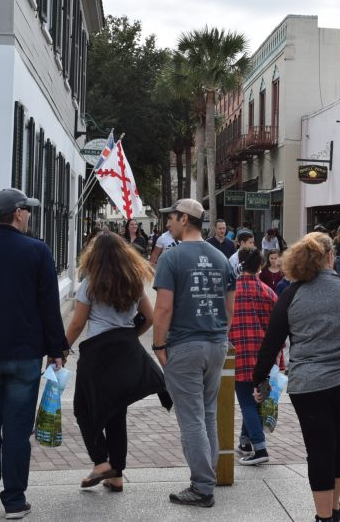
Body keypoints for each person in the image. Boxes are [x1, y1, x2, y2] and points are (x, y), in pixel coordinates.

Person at [253, 232, 340, 522]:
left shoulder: (291, 294)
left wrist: (259, 379)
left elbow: (272, 342)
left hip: (306, 385)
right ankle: (335, 507)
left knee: (318, 448)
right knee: (339, 443)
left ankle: (323, 516)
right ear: (330, 257)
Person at [0, 188, 69, 519]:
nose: (30, 216)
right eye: (28, 210)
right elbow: (48, 306)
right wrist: (57, 348)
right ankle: (14, 500)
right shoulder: (37, 251)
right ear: (18, 213)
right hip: (24, 354)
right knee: (16, 431)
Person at [65, 233, 165, 495]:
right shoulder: (134, 282)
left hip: (97, 355)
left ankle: (100, 462)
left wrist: (61, 349)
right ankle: (117, 475)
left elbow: (77, 323)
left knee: (83, 409)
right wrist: (130, 336)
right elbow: (150, 317)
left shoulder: (90, 284)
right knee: (116, 411)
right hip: (125, 351)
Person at [152, 198, 236, 508]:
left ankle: (202, 487)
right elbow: (229, 308)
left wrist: (159, 345)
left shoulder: (171, 259)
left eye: (171, 217)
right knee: (208, 414)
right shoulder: (222, 258)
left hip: (185, 344)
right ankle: (207, 477)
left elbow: (163, 309)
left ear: (184, 219)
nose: (168, 223)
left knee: (191, 419)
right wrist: (220, 337)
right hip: (216, 344)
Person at [229, 247, 278, 466]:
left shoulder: (230, 292)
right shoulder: (268, 292)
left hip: (238, 353)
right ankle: (246, 442)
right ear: (259, 266)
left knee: (248, 402)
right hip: (264, 357)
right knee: (256, 400)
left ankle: (259, 448)